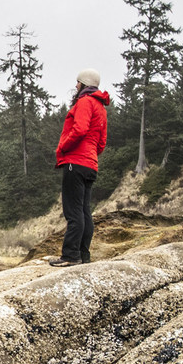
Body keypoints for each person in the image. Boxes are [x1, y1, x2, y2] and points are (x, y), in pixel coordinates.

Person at [51, 69, 110, 267]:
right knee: (84, 211)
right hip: (90, 164)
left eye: (78, 82)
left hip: (75, 162)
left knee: (73, 211)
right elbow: (101, 143)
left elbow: (80, 129)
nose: (75, 86)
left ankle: (70, 255)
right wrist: (91, 155)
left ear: (84, 84)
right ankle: (84, 255)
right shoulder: (101, 107)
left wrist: (62, 147)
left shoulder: (85, 102)